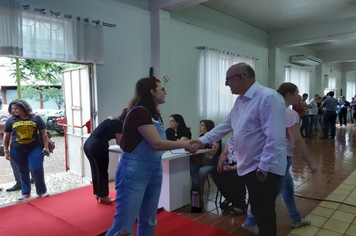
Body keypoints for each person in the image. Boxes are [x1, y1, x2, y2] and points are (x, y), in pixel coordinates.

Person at [191, 63, 287, 236]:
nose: (227, 84)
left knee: (264, 212)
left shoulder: (268, 97)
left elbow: (275, 138)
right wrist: (201, 140)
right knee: (258, 209)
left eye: (228, 80)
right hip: (250, 165)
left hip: (264, 168)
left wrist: (263, 168)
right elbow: (227, 125)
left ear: (241, 77)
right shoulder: (241, 100)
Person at [105, 77, 199, 236]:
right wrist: (184, 144)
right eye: (162, 89)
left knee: (150, 220)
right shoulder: (139, 112)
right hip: (135, 171)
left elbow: (157, 144)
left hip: (154, 169)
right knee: (123, 227)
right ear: (152, 92)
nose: (165, 92)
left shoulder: (154, 115)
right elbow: (156, 143)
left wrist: (186, 142)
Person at [243, 82, 318, 234]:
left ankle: (296, 219)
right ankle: (250, 221)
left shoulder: (269, 109)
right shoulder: (289, 113)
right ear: (288, 95)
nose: (299, 96)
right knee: (269, 197)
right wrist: (310, 163)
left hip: (272, 158)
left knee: (288, 189)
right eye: (297, 93)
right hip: (281, 159)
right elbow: (297, 141)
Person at [3, 99, 50, 200]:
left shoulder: (36, 118)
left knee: (37, 169)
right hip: (17, 149)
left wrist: (46, 147)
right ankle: (25, 193)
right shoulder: (10, 120)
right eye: (12, 109)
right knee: (23, 171)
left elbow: (43, 133)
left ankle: (41, 191)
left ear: (24, 107)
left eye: (17, 108)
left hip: (34, 147)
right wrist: (6, 151)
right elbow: (6, 137)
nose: (14, 111)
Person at [83, 114, 124, 204]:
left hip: (88, 143)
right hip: (98, 145)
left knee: (95, 171)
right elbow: (119, 142)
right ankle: (104, 196)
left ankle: (98, 193)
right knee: (102, 172)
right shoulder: (121, 125)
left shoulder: (111, 120)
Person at [211, 134, 247, 215]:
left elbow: (247, 158)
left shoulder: (247, 140)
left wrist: (233, 168)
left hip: (243, 165)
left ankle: (240, 205)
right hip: (230, 163)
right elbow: (224, 153)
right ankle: (229, 197)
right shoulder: (231, 139)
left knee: (234, 178)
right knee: (216, 173)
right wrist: (220, 163)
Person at [190, 119, 222, 191]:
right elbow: (197, 147)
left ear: (208, 127)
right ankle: (196, 184)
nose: (199, 128)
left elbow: (214, 151)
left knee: (202, 171)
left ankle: (200, 188)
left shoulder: (216, 137)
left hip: (212, 162)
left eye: (202, 126)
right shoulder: (202, 136)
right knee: (192, 167)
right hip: (202, 160)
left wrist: (205, 150)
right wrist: (208, 150)